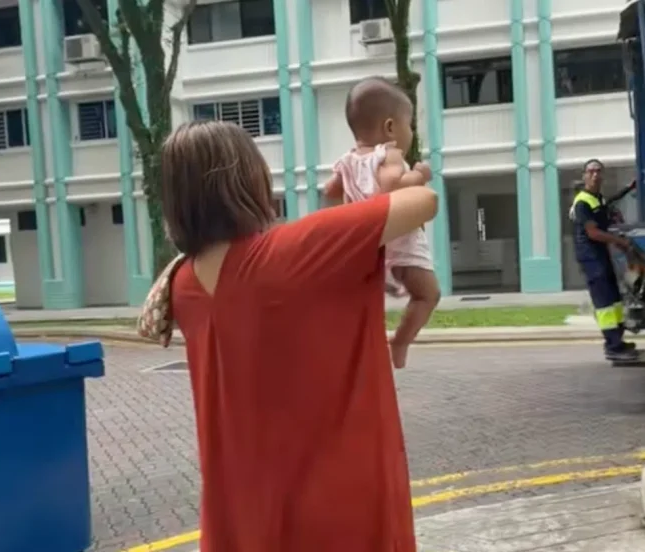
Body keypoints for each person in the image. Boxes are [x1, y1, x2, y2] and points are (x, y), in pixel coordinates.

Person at [147, 120, 438, 552]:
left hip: (241, 511)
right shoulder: (297, 249)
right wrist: (383, 164)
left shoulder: (182, 282)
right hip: (335, 510)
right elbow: (422, 200)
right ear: (248, 179)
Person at [323, 76, 441, 369]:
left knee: (368, 303)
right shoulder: (389, 153)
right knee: (428, 295)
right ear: (390, 127)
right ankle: (400, 342)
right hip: (400, 242)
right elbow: (391, 185)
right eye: (409, 126)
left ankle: (368, 335)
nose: (411, 133)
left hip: (368, 246)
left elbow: (330, 191)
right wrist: (419, 176)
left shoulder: (346, 161)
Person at [569, 159, 638, 361]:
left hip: (600, 255)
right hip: (590, 258)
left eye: (598, 171)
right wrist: (620, 242)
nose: (595, 175)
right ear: (584, 176)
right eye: (590, 172)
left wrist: (629, 188)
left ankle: (618, 340)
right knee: (605, 302)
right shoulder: (582, 202)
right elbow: (593, 233)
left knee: (614, 298)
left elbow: (610, 202)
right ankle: (613, 347)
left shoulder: (597, 198)